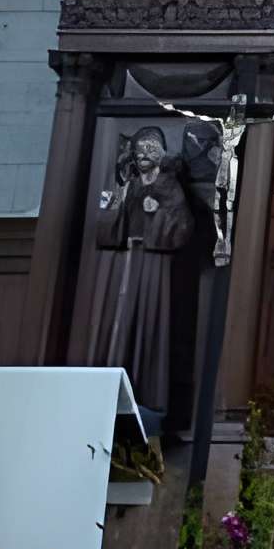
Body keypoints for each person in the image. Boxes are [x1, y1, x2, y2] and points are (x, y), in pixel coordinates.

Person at [84, 127, 195, 429]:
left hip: (153, 264)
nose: (144, 153)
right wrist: (121, 195)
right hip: (124, 263)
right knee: (115, 327)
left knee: (149, 323)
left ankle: (145, 398)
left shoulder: (170, 186)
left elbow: (182, 227)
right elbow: (105, 225)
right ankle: (107, 391)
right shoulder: (128, 183)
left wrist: (158, 211)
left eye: (151, 147)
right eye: (139, 147)